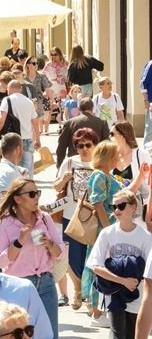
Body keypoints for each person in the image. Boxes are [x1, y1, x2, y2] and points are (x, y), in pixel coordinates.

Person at [86, 189, 150, 339]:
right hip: (114, 297)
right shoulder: (107, 234)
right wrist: (122, 280)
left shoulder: (145, 238)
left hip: (138, 299)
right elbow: (95, 265)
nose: (116, 210)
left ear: (133, 208)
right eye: (114, 206)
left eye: (121, 206)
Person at [0, 177, 65, 339]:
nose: (37, 197)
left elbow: (60, 253)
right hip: (18, 285)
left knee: (50, 338)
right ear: (18, 199)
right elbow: (1, 262)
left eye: (38, 193)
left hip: (45, 283)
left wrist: (49, 244)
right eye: (32, 194)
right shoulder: (5, 224)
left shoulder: (45, 218)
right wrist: (19, 241)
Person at [54, 127, 98, 310]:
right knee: (72, 258)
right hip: (70, 215)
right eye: (80, 146)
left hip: (93, 217)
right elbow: (56, 187)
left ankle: (89, 294)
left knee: (91, 257)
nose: (84, 149)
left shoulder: (99, 162)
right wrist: (63, 180)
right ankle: (78, 291)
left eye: (88, 145)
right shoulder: (70, 162)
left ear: (95, 145)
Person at [85, 141, 125, 323]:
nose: (119, 157)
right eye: (116, 154)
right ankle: (96, 312)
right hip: (104, 230)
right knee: (99, 268)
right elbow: (98, 203)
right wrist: (108, 229)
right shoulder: (100, 175)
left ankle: (100, 309)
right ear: (109, 157)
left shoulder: (110, 176)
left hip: (111, 229)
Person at [0, 79, 41, 174]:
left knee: (13, 166)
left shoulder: (7, 100)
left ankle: (16, 186)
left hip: (13, 139)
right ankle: (28, 186)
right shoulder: (29, 102)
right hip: (28, 138)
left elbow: (2, 118)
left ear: (9, 89)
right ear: (20, 89)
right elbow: (35, 122)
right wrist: (37, 139)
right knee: (28, 167)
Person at [56, 97, 110, 165]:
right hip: (95, 163)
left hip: (75, 163)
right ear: (92, 108)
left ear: (79, 109)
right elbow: (106, 145)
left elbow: (61, 146)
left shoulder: (70, 123)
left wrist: (60, 165)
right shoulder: (102, 123)